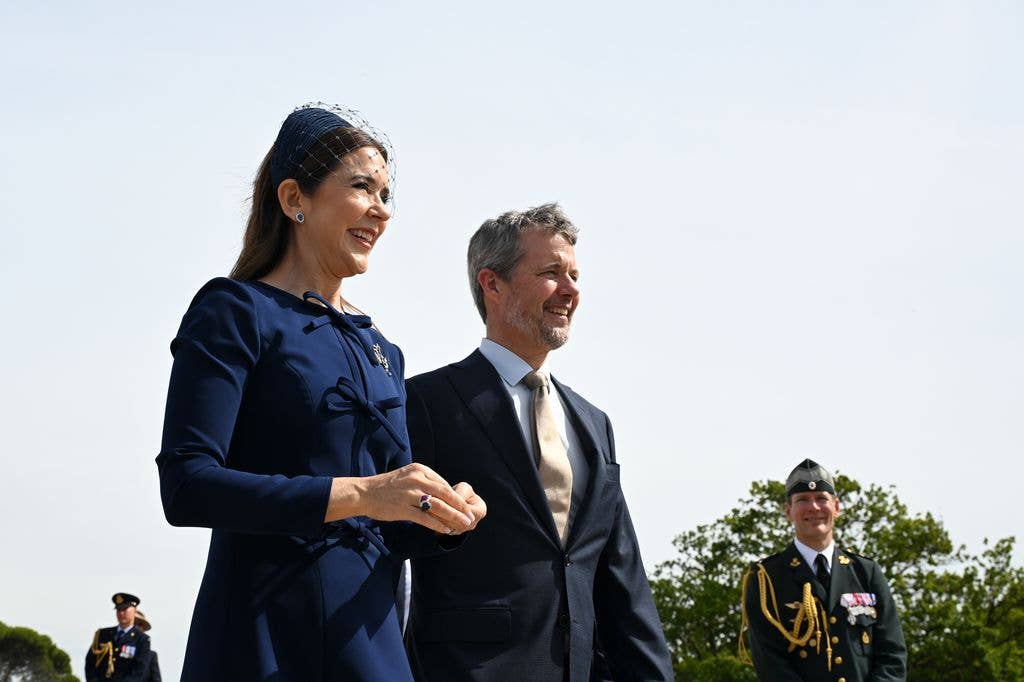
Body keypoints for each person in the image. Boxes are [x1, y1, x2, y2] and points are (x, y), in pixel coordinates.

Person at [156, 104, 486, 681]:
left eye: (387, 194)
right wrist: (359, 494)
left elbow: (389, 519)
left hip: (370, 647)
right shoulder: (234, 312)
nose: (381, 211)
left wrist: (442, 514)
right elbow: (187, 486)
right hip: (262, 642)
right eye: (362, 187)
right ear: (293, 200)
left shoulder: (382, 348)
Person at [404, 204, 674, 681]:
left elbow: (623, 581)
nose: (571, 291)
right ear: (492, 283)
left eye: (574, 275)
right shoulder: (424, 402)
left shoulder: (594, 424)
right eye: (551, 273)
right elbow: (385, 547)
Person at [740, 459, 908, 681]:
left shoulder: (866, 573)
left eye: (821, 498)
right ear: (788, 511)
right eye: (803, 500)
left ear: (836, 507)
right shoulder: (766, 580)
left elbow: (892, 656)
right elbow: (771, 666)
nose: (814, 507)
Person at [85, 592, 151, 681]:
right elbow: (90, 664)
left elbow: (139, 671)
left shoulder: (142, 640)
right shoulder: (102, 634)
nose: (121, 613)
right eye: (118, 609)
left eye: (125, 609)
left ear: (134, 610)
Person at [131, 611, 161, 682]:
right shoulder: (113, 651)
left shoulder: (151, 656)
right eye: (134, 623)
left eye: (140, 624)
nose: (137, 627)